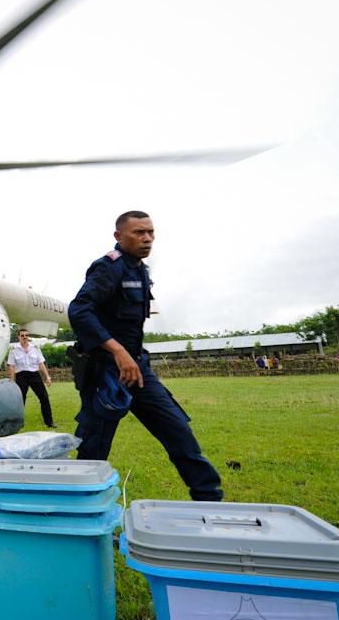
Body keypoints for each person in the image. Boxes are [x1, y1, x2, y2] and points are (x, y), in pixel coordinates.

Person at [68, 211, 223, 501]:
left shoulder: (141, 270)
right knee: (94, 449)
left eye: (151, 232)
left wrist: (131, 358)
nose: (147, 238)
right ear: (119, 236)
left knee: (178, 432)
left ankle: (210, 501)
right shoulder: (107, 268)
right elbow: (79, 310)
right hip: (106, 373)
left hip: (138, 370)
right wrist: (117, 351)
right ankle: (82, 513)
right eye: (139, 232)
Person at [7, 329, 57, 428]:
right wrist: (12, 381)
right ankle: (17, 423)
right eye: (22, 335)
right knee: (20, 400)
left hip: (34, 375)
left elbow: (41, 363)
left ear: (28, 336)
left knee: (44, 397)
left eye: (26, 335)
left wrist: (47, 376)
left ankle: (49, 422)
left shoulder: (35, 348)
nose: (24, 337)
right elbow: (11, 366)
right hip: (21, 376)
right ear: (18, 337)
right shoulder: (13, 350)